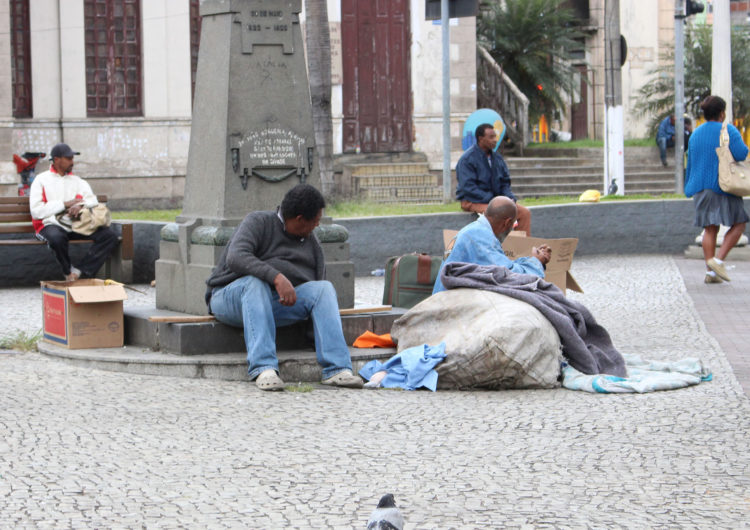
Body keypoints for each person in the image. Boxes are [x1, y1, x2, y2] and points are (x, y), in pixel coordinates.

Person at [205, 184, 364, 391]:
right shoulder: (258, 222)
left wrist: (309, 334)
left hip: (272, 304)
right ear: (299, 219)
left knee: (323, 288)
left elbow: (317, 279)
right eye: (314, 221)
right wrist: (276, 277)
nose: (317, 226)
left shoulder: (311, 243)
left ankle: (337, 369)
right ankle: (264, 368)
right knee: (256, 283)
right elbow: (236, 257)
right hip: (229, 297)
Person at [29, 143, 119, 282]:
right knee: (57, 238)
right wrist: (64, 205)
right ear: (57, 159)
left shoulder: (77, 181)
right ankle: (67, 272)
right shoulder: (41, 180)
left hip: (76, 224)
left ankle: (80, 272)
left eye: (72, 158)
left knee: (109, 236)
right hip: (48, 224)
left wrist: (80, 205)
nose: (72, 162)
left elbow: (92, 199)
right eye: (69, 158)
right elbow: (36, 211)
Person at [685, 95, 749, 284]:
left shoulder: (696, 133)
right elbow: (741, 153)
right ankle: (718, 261)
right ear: (722, 113)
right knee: (739, 223)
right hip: (722, 186)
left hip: (700, 187)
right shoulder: (727, 130)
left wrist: (690, 185)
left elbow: (691, 162)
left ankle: (711, 273)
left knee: (710, 229)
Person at [433, 196, 550, 294]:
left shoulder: (476, 230)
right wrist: (536, 262)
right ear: (507, 223)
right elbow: (510, 276)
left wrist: (531, 260)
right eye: (513, 225)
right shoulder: (480, 236)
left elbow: (503, 266)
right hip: (449, 305)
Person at [456, 123, 532, 235]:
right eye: (491, 137)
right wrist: (494, 200)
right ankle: (494, 247)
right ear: (481, 139)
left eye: (495, 136)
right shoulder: (467, 159)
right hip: (473, 201)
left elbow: (505, 183)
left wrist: (509, 198)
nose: (495, 140)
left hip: (496, 201)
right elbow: (468, 188)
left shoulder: (497, 158)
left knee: (524, 213)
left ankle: (521, 250)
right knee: (499, 214)